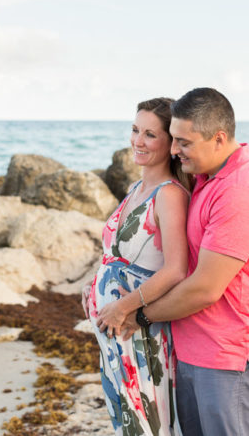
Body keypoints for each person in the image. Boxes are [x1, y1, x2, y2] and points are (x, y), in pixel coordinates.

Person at [115, 88, 249, 436]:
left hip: (229, 358)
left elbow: (205, 288)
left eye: (183, 142)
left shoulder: (240, 192)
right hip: (192, 351)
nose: (174, 150)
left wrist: (139, 314)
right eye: (173, 139)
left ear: (218, 139)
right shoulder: (206, 178)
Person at [82, 97, 193, 436]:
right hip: (115, 332)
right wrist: (92, 286)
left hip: (140, 332)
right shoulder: (135, 189)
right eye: (134, 130)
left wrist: (122, 307)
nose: (137, 141)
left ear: (170, 143)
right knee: (126, 420)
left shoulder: (169, 195)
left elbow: (175, 269)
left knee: (147, 425)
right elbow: (115, 254)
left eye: (149, 134)